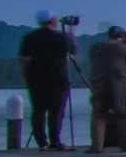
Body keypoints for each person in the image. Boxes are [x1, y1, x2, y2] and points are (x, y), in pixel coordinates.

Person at [17, 9, 79, 149]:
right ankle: (54, 141)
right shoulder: (60, 37)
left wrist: (25, 74)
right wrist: (71, 33)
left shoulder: (29, 37)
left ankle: (41, 142)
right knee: (56, 111)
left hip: (35, 78)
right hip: (58, 78)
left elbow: (22, 58)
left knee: (38, 110)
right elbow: (74, 50)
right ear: (52, 21)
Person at [87, 26, 126, 153]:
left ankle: (96, 146)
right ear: (122, 37)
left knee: (98, 115)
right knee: (124, 115)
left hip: (99, 83)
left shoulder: (95, 48)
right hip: (119, 84)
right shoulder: (121, 47)